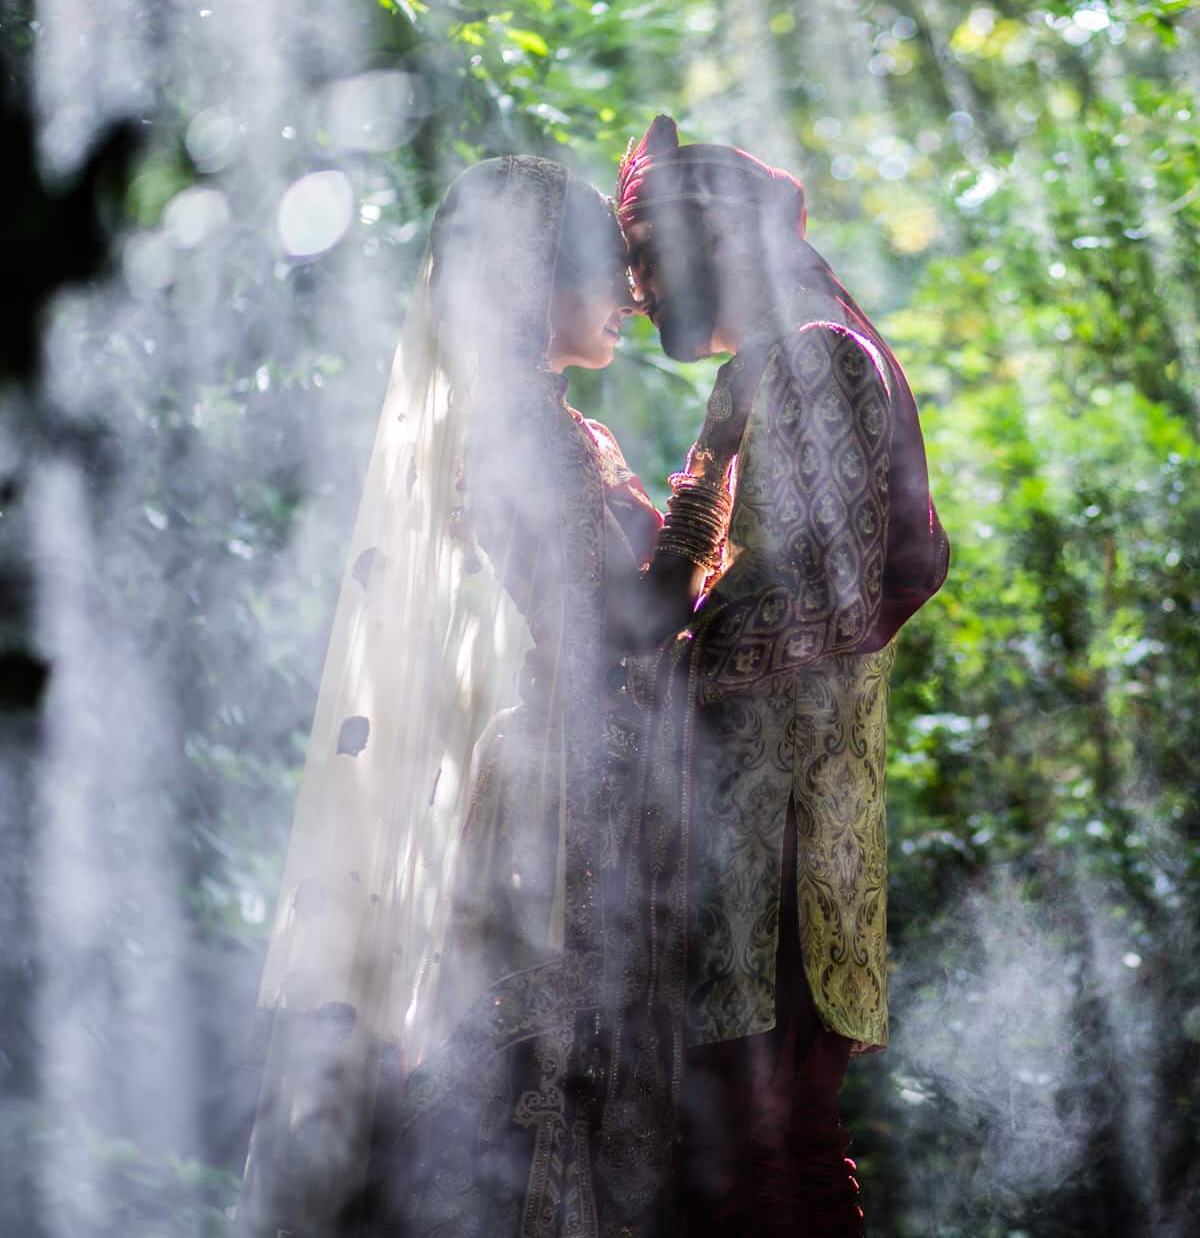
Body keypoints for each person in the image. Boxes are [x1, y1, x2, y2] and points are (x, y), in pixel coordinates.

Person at [236, 154, 682, 1238]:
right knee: (542, 1075)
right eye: (606, 271)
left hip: (595, 774)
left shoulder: (561, 429)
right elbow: (616, 620)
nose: (628, 296)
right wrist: (719, 487)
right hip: (566, 794)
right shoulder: (518, 432)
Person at [612, 115, 949, 1236]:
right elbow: (685, 576)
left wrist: (683, 654)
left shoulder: (818, 355)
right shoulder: (762, 368)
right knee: (755, 1131)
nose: (638, 289)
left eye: (647, 255)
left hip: (786, 821)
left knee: (764, 1131)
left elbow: (852, 595)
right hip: (746, 804)